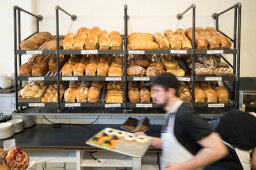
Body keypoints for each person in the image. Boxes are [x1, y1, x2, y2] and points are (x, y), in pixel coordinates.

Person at [135, 73, 227, 170]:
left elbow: (218, 149)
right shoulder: (170, 112)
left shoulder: (185, 115)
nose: (153, 95)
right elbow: (172, 143)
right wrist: (148, 140)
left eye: (157, 91)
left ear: (170, 92)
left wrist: (183, 166)